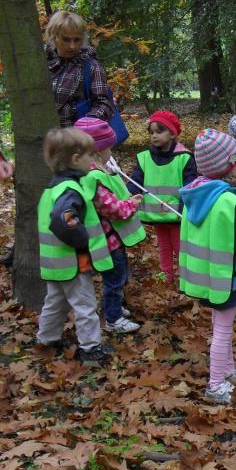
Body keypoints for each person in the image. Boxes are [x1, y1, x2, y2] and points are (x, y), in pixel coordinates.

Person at [178, 129, 236, 404]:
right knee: (223, 331)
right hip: (227, 279)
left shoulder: (195, 195)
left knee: (220, 324)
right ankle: (215, 384)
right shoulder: (230, 202)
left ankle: (227, 370)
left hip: (206, 278)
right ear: (228, 166)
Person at [35, 127, 114, 364]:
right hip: (74, 261)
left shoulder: (53, 188)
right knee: (85, 305)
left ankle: (46, 339)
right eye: (90, 155)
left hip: (54, 262)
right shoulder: (70, 191)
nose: (93, 159)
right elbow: (63, 220)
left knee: (55, 303)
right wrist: (82, 239)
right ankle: (90, 348)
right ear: (76, 159)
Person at [75, 117, 145, 334]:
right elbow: (112, 209)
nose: (111, 153)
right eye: (109, 148)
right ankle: (113, 319)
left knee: (117, 277)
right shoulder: (95, 177)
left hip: (111, 240)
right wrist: (131, 204)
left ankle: (112, 307)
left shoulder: (92, 173)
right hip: (108, 243)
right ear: (98, 150)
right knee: (115, 279)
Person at [128, 110, 197, 286]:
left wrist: (184, 208)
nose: (154, 136)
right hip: (157, 215)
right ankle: (166, 277)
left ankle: (186, 279)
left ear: (172, 133)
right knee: (164, 247)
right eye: (151, 132)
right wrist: (128, 195)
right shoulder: (145, 158)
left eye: (159, 131)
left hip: (177, 216)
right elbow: (136, 180)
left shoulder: (184, 158)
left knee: (180, 247)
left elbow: (190, 186)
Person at [44, 11, 114, 128]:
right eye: (66, 39)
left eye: (77, 40)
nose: (72, 46)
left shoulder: (90, 66)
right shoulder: (40, 63)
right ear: (54, 36)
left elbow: (104, 104)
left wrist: (85, 126)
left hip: (76, 137)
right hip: (42, 135)